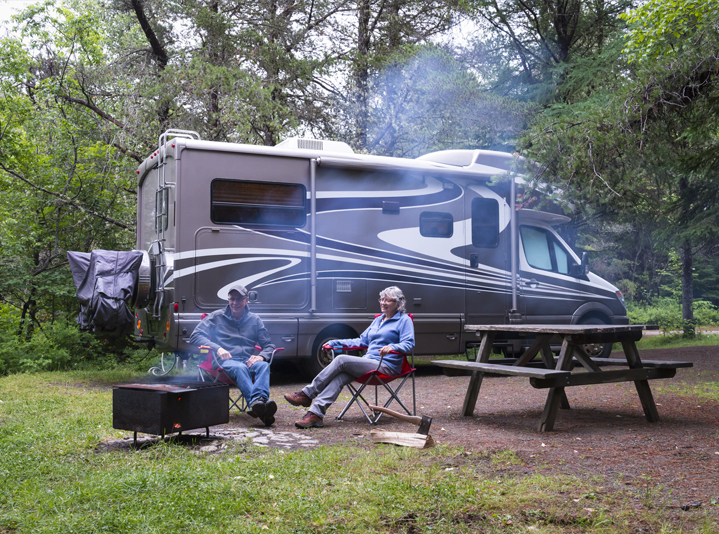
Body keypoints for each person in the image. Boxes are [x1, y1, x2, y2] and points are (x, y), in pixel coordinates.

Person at [284, 286, 415, 428]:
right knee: (340, 377)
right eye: (382, 299)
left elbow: (409, 344)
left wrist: (392, 347)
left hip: (386, 366)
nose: (383, 303)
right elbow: (361, 341)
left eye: (388, 300)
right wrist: (335, 342)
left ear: (398, 303)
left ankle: (307, 394)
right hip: (368, 362)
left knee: (341, 360)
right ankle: (316, 414)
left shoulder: (404, 320)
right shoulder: (378, 320)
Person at [190, 284, 277, 426]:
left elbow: (268, 345)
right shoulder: (217, 317)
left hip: (247, 360)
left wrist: (260, 356)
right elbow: (195, 336)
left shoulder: (255, 320)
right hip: (225, 361)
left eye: (239, 299)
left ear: (246, 300)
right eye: (232, 299)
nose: (234, 303)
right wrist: (217, 348)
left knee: (263, 366)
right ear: (228, 299)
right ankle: (261, 407)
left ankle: (259, 404)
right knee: (239, 368)